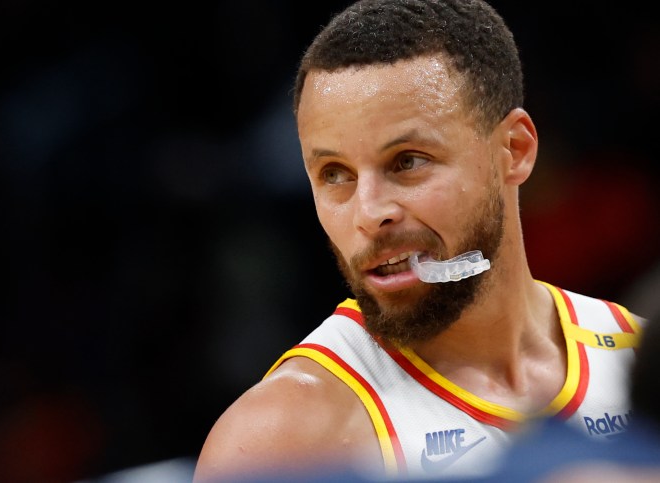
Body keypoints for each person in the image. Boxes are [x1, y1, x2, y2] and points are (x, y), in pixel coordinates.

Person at [193, 0, 648, 481]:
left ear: (513, 151)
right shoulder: (280, 440)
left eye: (407, 161)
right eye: (335, 174)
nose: (369, 213)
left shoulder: (638, 359)